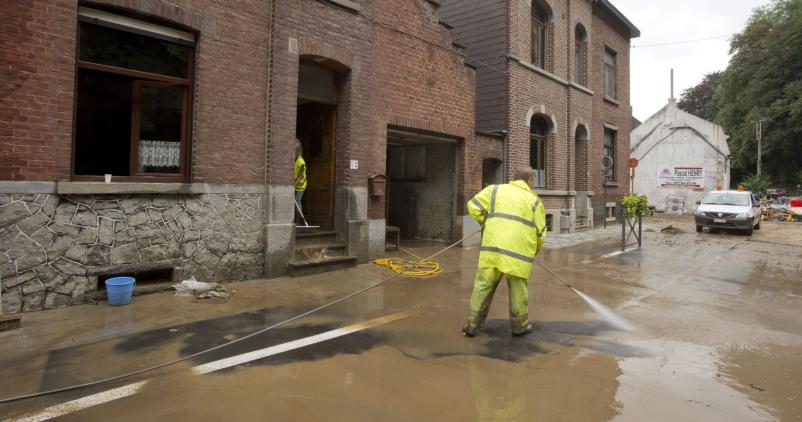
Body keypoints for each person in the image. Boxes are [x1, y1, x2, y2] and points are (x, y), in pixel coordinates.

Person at [462, 167, 547, 337]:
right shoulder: (534, 201)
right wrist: (534, 250)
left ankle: (472, 325)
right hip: (518, 255)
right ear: (529, 180)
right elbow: (540, 232)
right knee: (518, 291)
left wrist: (485, 221)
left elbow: (473, 206)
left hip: (492, 249)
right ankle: (519, 327)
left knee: (483, 286)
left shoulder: (494, 190)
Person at [294, 140, 307, 219]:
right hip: (294, 183)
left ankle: (299, 218)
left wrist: (293, 185)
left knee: (297, 201)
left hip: (300, 185)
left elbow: (300, 177)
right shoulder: (292, 159)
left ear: (297, 151)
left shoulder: (301, 162)